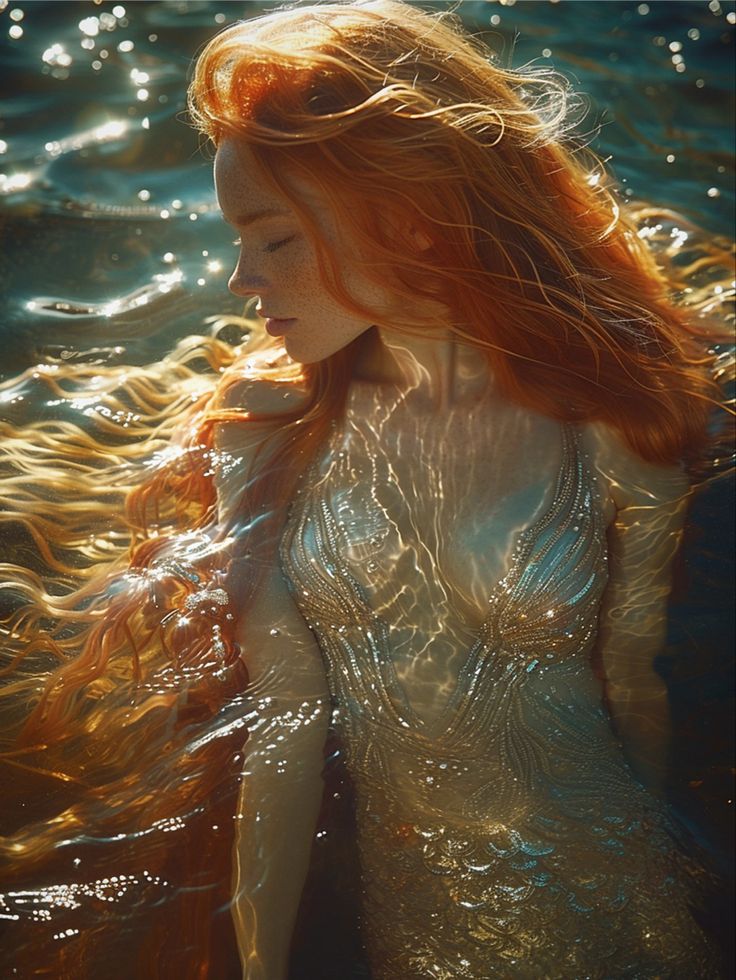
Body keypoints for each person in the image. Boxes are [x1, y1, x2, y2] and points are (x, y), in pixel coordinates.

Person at [0, 2, 730, 978]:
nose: (239, 282)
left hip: (617, 899)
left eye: (275, 241)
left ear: (405, 220)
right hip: (418, 916)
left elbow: (635, 684)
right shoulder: (265, 434)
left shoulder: (609, 422)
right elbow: (286, 723)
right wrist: (256, 964)